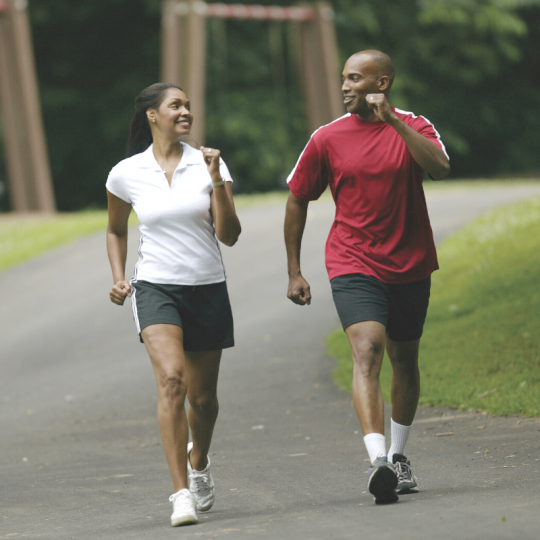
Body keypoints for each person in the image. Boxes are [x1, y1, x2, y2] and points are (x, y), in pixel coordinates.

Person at [284, 50, 450, 505]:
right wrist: (295, 269)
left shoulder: (415, 126)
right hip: (352, 259)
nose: (345, 87)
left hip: (411, 262)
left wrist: (393, 123)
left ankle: (399, 456)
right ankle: (377, 459)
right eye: (343, 78)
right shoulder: (326, 138)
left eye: (355, 79)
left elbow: (439, 168)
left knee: (405, 359)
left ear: (383, 82)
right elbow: (298, 197)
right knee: (367, 349)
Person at [106, 82, 241, 526]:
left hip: (207, 287)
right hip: (156, 288)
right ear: (152, 115)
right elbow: (116, 229)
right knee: (171, 381)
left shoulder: (207, 166)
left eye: (188, 105)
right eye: (175, 105)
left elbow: (229, 235)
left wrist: (217, 176)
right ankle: (180, 492)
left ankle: (198, 461)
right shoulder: (126, 172)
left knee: (203, 401)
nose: (186, 112)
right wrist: (119, 277)